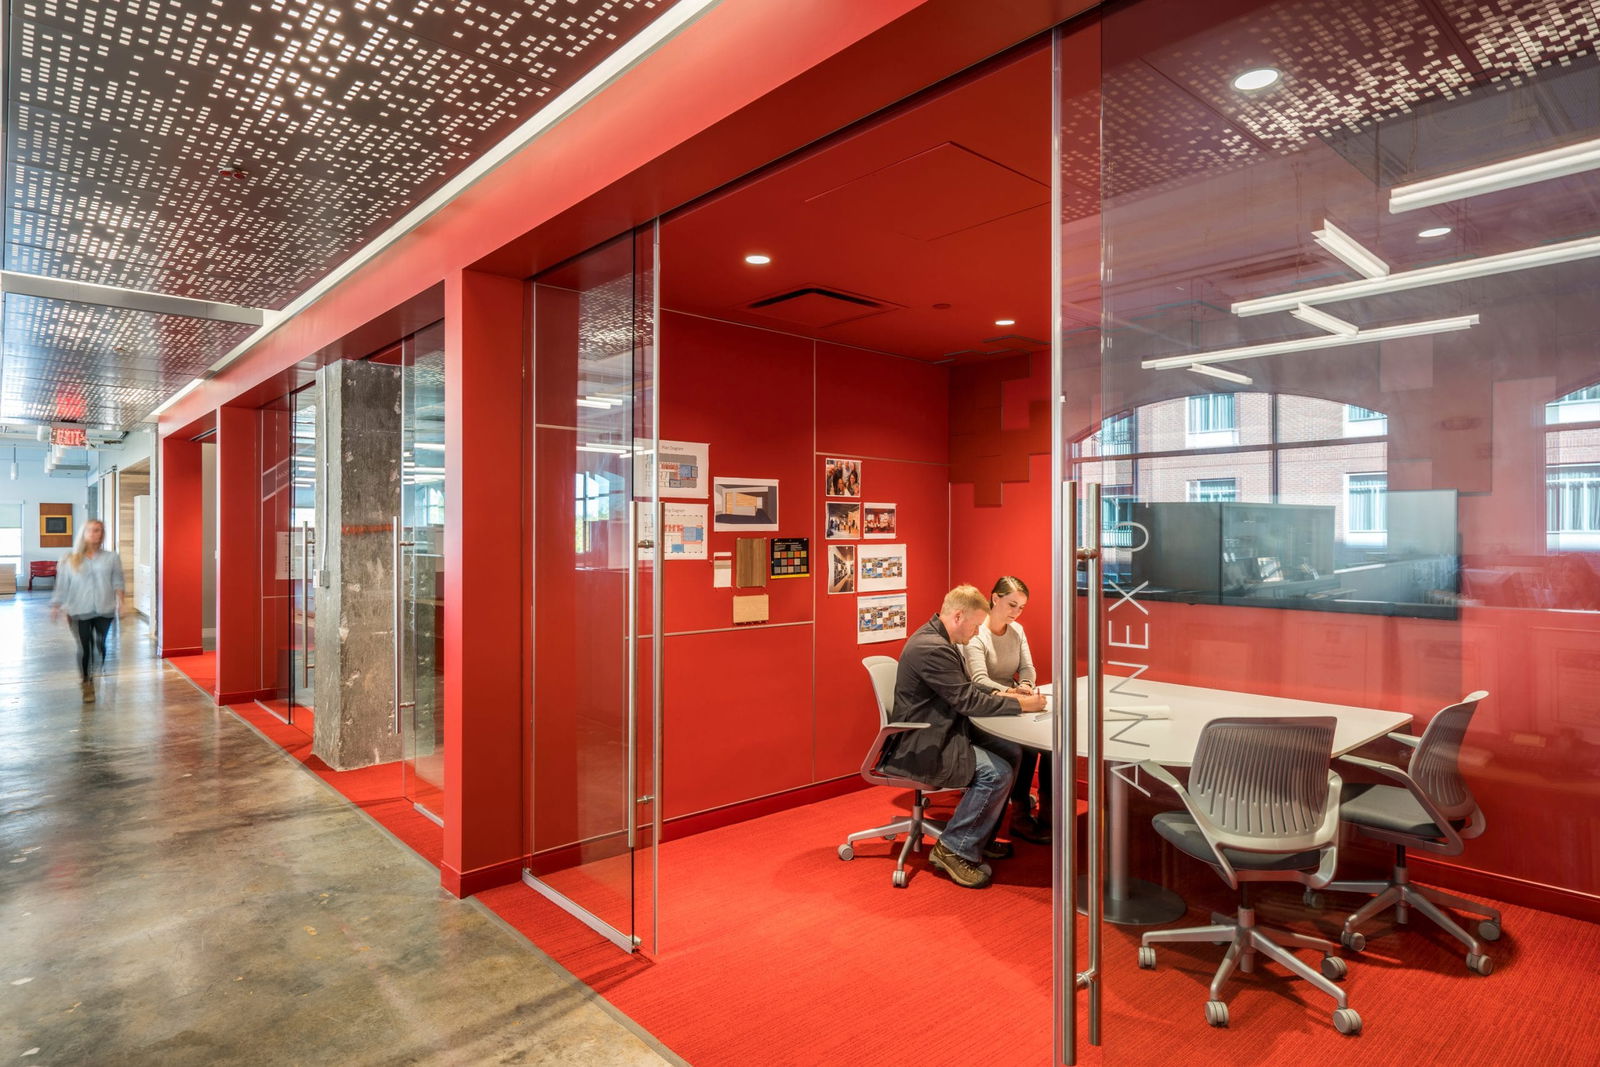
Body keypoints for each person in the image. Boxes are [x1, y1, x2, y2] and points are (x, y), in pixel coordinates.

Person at [876, 584, 1046, 888]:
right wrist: (1021, 704)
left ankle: (980, 837)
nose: (978, 631)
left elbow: (964, 689)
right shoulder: (933, 648)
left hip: (941, 728)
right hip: (923, 741)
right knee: (996, 773)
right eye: (976, 624)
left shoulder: (941, 639)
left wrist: (1008, 696)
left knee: (1012, 751)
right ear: (958, 616)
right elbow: (967, 701)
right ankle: (954, 848)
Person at [962, 576, 1050, 844]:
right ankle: (1020, 815)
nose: (1016, 613)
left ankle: (1050, 815)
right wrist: (1015, 694)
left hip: (1013, 700)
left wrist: (1025, 685)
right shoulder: (977, 632)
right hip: (986, 704)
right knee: (1025, 747)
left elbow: (1027, 668)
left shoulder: (1017, 630)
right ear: (994, 598)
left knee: (1047, 745)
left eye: (1021, 607)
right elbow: (979, 680)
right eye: (1012, 605)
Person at [50, 518, 125, 703]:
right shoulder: (70, 559)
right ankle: (87, 682)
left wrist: (121, 602)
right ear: (83, 533)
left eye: (98, 530)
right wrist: (56, 605)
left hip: (105, 609)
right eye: (90, 530)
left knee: (100, 645)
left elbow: (118, 581)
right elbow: (62, 585)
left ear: (102, 534)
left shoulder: (112, 558)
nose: (93, 533)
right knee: (85, 647)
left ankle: (96, 670)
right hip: (78, 610)